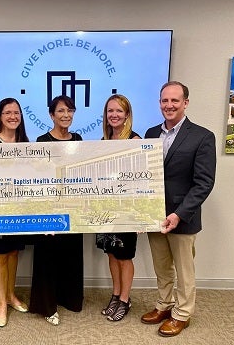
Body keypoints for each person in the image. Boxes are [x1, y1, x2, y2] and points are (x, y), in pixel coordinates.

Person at [141, 81, 216, 337]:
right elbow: (142, 177)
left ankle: (182, 314)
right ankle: (164, 305)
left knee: (184, 271)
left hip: (182, 218)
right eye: (165, 100)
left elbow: (204, 183)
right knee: (161, 267)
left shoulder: (202, 136)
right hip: (155, 216)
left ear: (185, 102)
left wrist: (179, 213)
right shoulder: (151, 133)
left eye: (175, 100)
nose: (169, 105)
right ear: (159, 103)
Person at [29, 95, 84, 326]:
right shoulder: (41, 140)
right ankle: (47, 305)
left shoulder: (79, 139)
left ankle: (68, 298)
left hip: (72, 207)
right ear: (52, 115)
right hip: (48, 207)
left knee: (71, 253)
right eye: (61, 111)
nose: (66, 115)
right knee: (47, 256)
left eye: (70, 111)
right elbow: (36, 177)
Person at [0, 98, 30, 327]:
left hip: (19, 209)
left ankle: (11, 296)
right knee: (1, 256)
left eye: (16, 113)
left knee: (13, 253)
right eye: (8, 112)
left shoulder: (24, 142)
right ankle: (1, 303)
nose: (13, 116)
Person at [95, 94, 141, 322]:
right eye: (110, 111)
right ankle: (115, 295)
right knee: (112, 253)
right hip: (107, 209)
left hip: (127, 209)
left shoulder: (135, 140)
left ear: (127, 115)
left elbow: (144, 181)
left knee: (124, 256)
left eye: (119, 111)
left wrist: (143, 215)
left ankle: (125, 299)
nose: (114, 115)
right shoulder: (103, 142)